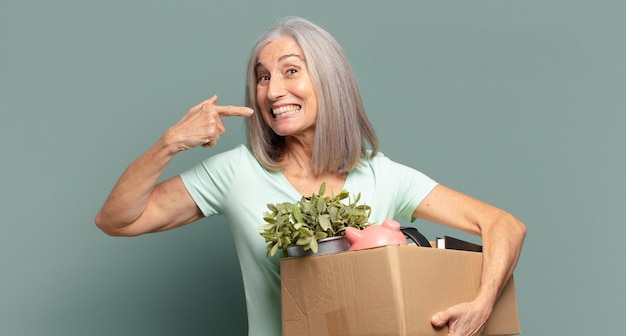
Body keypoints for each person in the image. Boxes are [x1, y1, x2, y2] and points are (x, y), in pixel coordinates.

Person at [95, 16, 526, 336]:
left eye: (290, 70)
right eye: (262, 77)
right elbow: (116, 219)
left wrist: (482, 305)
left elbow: (504, 225)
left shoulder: (380, 174)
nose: (272, 90)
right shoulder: (237, 172)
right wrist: (170, 142)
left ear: (328, 80)